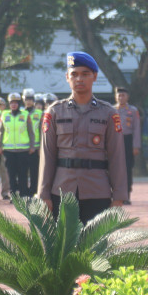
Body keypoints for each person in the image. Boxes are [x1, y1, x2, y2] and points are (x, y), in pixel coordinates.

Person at [38, 52, 127, 224]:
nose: (79, 79)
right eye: (74, 74)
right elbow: (47, 156)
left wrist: (119, 197)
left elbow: (117, 157)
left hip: (97, 192)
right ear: (67, 77)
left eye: (85, 74)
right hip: (62, 191)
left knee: (96, 247)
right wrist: (44, 194)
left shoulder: (108, 113)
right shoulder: (55, 111)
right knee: (63, 247)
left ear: (94, 77)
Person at [0, 93, 34, 198]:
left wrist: (32, 146)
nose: (14, 105)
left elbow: (30, 131)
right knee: (11, 174)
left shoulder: (25, 114)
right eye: (11, 103)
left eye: (16, 103)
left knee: (22, 173)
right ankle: (13, 195)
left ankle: (23, 195)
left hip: (23, 150)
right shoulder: (4, 114)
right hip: (9, 150)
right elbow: (1, 131)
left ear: (19, 104)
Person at [114, 87, 141, 204]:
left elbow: (136, 129)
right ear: (116, 97)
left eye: (123, 95)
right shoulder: (111, 110)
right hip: (114, 141)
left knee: (127, 169)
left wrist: (136, 146)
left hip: (127, 140)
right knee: (114, 169)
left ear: (127, 97)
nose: (121, 97)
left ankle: (127, 195)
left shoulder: (133, 111)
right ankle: (115, 195)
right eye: (119, 95)